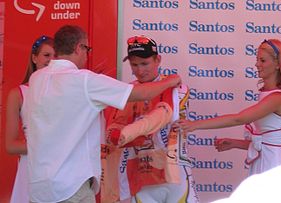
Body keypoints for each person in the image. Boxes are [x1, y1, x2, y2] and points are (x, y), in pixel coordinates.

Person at [25, 25, 181, 203]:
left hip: (38, 188)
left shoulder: (37, 78)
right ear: (79, 48)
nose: (87, 55)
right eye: (87, 49)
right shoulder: (84, 80)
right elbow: (143, 93)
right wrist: (170, 81)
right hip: (70, 186)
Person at [174, 39, 281, 176]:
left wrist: (194, 125)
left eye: (262, 60)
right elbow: (264, 143)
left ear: (277, 64)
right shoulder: (269, 94)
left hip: (274, 166)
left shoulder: (277, 98)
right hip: (265, 162)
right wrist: (234, 143)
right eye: (257, 59)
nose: (257, 64)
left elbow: (239, 119)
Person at [101, 35, 199, 203]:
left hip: (174, 175)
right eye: (134, 64)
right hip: (141, 178)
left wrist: (129, 133)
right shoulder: (128, 92)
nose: (139, 70)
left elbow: (158, 119)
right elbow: (115, 128)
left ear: (158, 60)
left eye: (144, 63)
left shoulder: (177, 88)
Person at [5, 35, 55, 203]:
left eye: (55, 56)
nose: (51, 60)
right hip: (30, 170)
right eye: (46, 55)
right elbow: (11, 146)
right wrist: (47, 147)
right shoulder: (17, 94)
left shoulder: (66, 90)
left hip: (62, 169)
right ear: (34, 58)